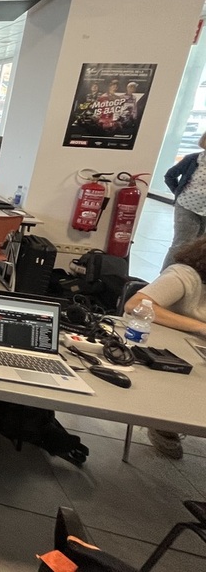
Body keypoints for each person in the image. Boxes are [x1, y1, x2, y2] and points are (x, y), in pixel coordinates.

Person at [124, 236, 206, 458]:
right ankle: (165, 422)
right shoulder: (185, 276)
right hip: (171, 352)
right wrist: (200, 327)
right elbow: (135, 305)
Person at [162, 132, 206, 268]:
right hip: (187, 205)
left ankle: (192, 278)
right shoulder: (193, 159)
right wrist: (178, 192)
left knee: (201, 249)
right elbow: (170, 175)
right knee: (182, 244)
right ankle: (164, 278)